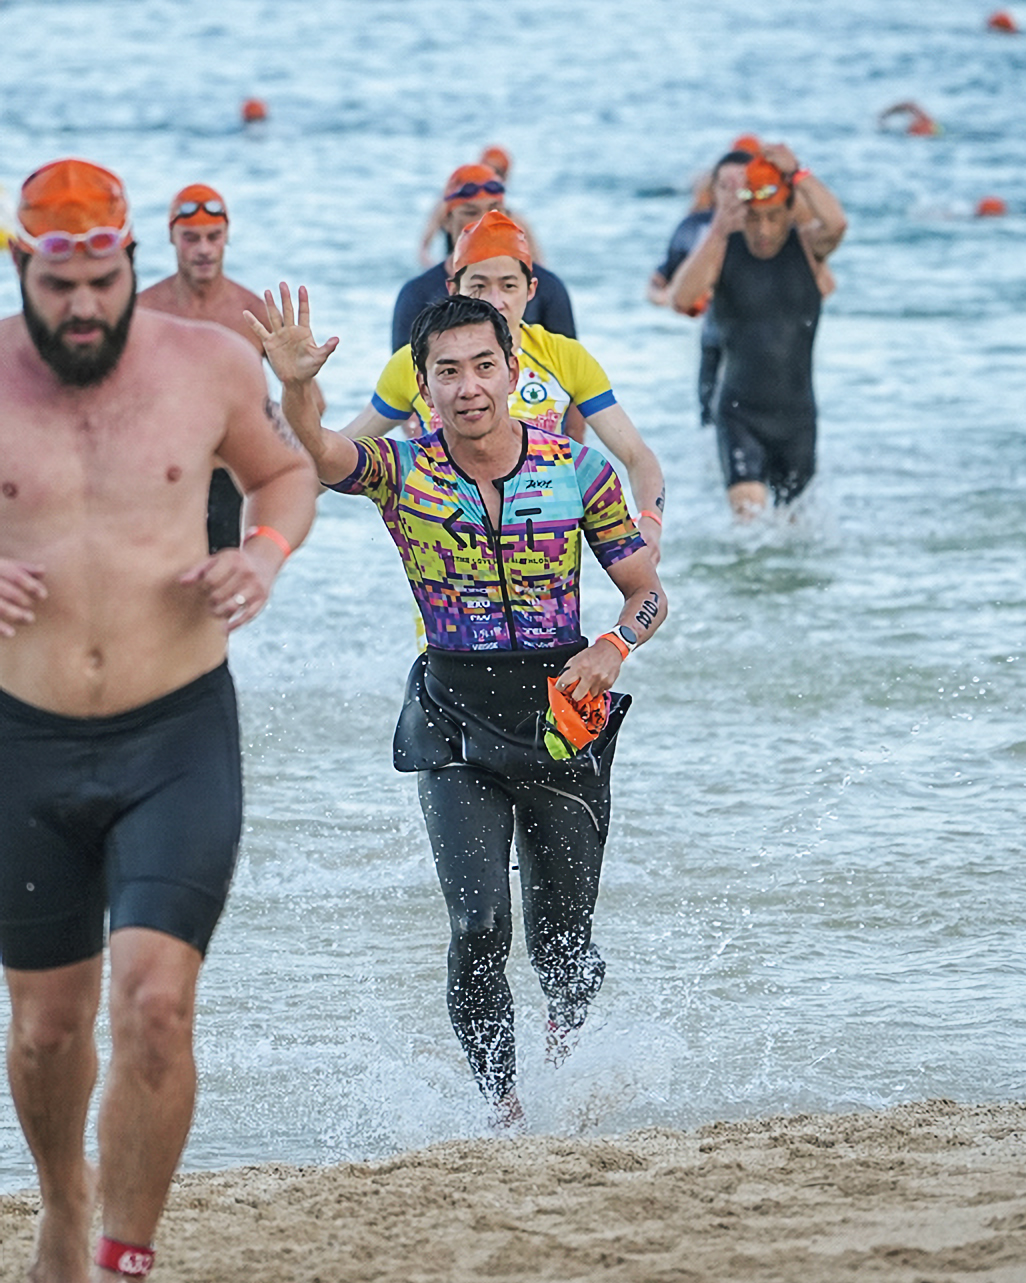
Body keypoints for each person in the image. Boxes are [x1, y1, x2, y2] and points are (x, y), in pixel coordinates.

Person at [0, 158, 317, 1282]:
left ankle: (123, 1257)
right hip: (23, 738)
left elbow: (286, 476)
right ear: (23, 271)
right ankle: (63, 1200)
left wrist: (262, 554)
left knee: (156, 1004)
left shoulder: (209, 365)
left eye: (101, 282)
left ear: (132, 262)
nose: (82, 307)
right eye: (58, 287)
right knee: (47, 1028)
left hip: (174, 731)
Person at [247, 284, 666, 1126]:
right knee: (477, 924)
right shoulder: (403, 469)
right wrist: (297, 386)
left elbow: (647, 595)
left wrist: (611, 647)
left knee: (563, 942)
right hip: (452, 719)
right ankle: (503, 1108)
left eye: (483, 365)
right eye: (448, 371)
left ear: (513, 370)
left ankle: (568, 1058)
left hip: (561, 716)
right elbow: (322, 454)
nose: (468, 386)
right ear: (423, 384)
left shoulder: (578, 469)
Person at [351, 210, 665, 560]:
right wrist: (305, 387)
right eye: (478, 286)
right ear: (454, 289)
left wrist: (650, 520)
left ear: (531, 290)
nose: (495, 300)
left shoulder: (565, 358)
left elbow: (637, 455)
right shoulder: (416, 363)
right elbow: (337, 453)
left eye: (508, 286)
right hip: (450, 560)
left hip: (545, 560)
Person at [138, 184, 324, 552]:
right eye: (191, 238)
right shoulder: (143, 311)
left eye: (214, 236)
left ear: (227, 237)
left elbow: (314, 403)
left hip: (228, 480)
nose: (204, 249)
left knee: (225, 581)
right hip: (157, 478)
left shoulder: (250, 313)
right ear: (172, 237)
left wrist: (267, 431)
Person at [667, 146, 846, 518]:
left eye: (773, 217)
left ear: (789, 212)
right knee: (749, 528)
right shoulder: (722, 249)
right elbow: (681, 298)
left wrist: (798, 173)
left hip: (798, 419)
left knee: (795, 533)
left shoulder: (808, 247)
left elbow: (837, 224)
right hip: (739, 414)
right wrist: (720, 226)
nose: (763, 229)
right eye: (753, 217)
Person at [391, 162, 575, 351]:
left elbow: (568, 363)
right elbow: (404, 366)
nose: (486, 221)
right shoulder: (417, 295)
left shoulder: (549, 289)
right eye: (471, 212)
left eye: (495, 210)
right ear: (446, 222)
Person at [647, 148, 755, 426]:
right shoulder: (694, 227)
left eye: (742, 186)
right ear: (713, 189)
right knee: (709, 420)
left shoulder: (769, 233)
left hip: (763, 346)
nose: (733, 194)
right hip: (714, 337)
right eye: (725, 186)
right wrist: (669, 297)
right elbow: (659, 281)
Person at [416, 145, 545, 269]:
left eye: (498, 172)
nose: (490, 175)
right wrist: (436, 274)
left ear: (505, 178)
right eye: (470, 213)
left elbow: (538, 261)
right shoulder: (447, 206)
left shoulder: (514, 219)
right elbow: (424, 248)